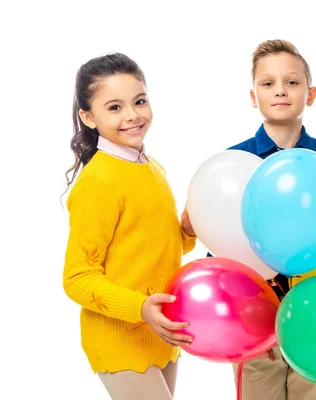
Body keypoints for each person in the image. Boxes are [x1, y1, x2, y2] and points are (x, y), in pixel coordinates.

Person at [62, 52, 197, 400]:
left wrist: (186, 231)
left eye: (139, 101)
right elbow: (77, 278)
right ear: (87, 117)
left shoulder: (152, 168)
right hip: (120, 338)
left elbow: (153, 246)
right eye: (115, 107)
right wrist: (139, 308)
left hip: (161, 331)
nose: (133, 115)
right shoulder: (99, 182)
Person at [227, 39, 316, 400]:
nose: (280, 91)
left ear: (310, 94)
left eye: (292, 82)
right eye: (267, 83)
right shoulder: (235, 163)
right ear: (253, 96)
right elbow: (225, 247)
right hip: (254, 324)